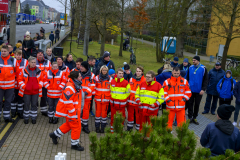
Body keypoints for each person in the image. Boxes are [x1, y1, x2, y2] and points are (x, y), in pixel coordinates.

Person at [49, 71, 84, 151]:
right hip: (72, 112)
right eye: (79, 76)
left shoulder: (74, 85)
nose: (80, 77)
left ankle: (54, 135)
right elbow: (67, 102)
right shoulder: (70, 87)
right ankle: (74, 144)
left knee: (69, 125)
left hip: (73, 111)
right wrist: (73, 113)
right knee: (76, 127)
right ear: (75, 78)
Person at [18, 56, 43, 124]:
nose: (33, 64)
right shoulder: (24, 70)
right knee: (26, 104)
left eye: (34, 62)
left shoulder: (39, 71)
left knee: (34, 105)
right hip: (26, 92)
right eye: (32, 62)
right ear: (28, 62)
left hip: (35, 92)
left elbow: (42, 80)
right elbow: (20, 80)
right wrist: (24, 86)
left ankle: (33, 118)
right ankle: (26, 118)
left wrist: (39, 86)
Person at [186, 56, 208, 125]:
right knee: (190, 104)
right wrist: (187, 87)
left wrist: (203, 89)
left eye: (194, 60)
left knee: (197, 104)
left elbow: (206, 80)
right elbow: (187, 78)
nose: (193, 61)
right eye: (193, 60)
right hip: (190, 90)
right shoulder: (190, 68)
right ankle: (190, 117)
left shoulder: (203, 68)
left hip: (199, 91)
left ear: (198, 60)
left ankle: (194, 117)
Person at [0, 45, 17, 122]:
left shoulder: (13, 60)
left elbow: (17, 73)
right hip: (0, 86)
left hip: (10, 87)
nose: (3, 53)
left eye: (5, 51)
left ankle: (6, 117)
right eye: (2, 51)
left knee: (8, 102)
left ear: (8, 51)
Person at [110, 68, 130, 133]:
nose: (121, 75)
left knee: (121, 119)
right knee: (113, 118)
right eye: (119, 73)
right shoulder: (112, 82)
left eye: (122, 73)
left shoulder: (126, 83)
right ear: (116, 74)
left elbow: (128, 93)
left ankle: (120, 132)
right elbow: (110, 91)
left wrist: (123, 98)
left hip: (121, 105)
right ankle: (112, 132)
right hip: (113, 105)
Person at [94, 65, 112, 133]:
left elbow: (112, 89)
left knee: (104, 114)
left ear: (107, 71)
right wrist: (96, 95)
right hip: (98, 99)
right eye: (103, 70)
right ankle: (97, 127)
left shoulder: (110, 79)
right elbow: (94, 88)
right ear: (101, 70)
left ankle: (103, 128)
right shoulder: (97, 78)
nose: (104, 71)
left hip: (106, 100)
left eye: (105, 70)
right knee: (98, 114)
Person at [127, 66, 146, 131]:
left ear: (142, 72)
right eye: (137, 71)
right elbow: (129, 89)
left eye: (139, 71)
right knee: (130, 116)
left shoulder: (144, 80)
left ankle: (138, 130)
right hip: (131, 101)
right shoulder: (131, 79)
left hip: (139, 102)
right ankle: (129, 129)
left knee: (138, 117)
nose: (138, 73)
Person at [11, 49, 28, 119]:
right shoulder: (12, 61)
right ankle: (13, 112)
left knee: (21, 99)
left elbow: (27, 72)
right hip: (13, 84)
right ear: (14, 55)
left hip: (22, 84)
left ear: (22, 55)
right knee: (13, 99)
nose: (18, 56)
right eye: (17, 55)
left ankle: (20, 112)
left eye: (19, 55)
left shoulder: (25, 61)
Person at [80, 61, 95, 134]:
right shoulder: (78, 74)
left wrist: (86, 92)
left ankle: (85, 126)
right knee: (78, 111)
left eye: (82, 66)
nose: (81, 67)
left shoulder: (92, 75)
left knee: (86, 112)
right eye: (80, 66)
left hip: (87, 97)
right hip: (79, 97)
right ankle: (78, 125)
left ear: (86, 68)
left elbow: (93, 85)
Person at [36, 50, 51, 116]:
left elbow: (50, 72)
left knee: (44, 97)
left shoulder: (48, 62)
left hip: (45, 83)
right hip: (36, 83)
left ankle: (43, 110)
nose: (40, 54)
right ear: (36, 55)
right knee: (35, 97)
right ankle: (35, 110)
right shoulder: (33, 61)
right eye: (39, 53)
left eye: (41, 53)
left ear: (43, 55)